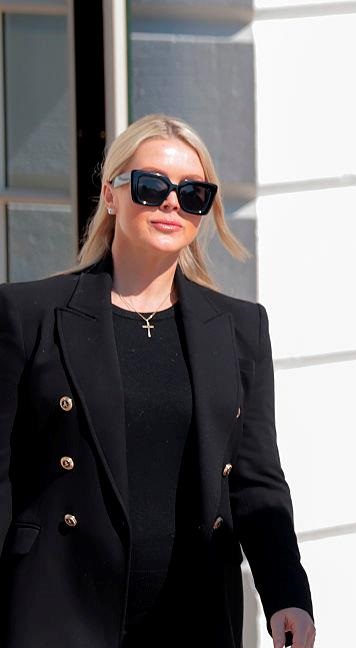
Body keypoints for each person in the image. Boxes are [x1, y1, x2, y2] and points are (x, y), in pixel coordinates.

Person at [0, 114, 315, 648]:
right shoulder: (29, 314)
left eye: (193, 194)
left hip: (193, 617)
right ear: (111, 195)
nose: (172, 203)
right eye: (151, 186)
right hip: (58, 611)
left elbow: (256, 481)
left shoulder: (240, 328)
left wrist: (288, 594)